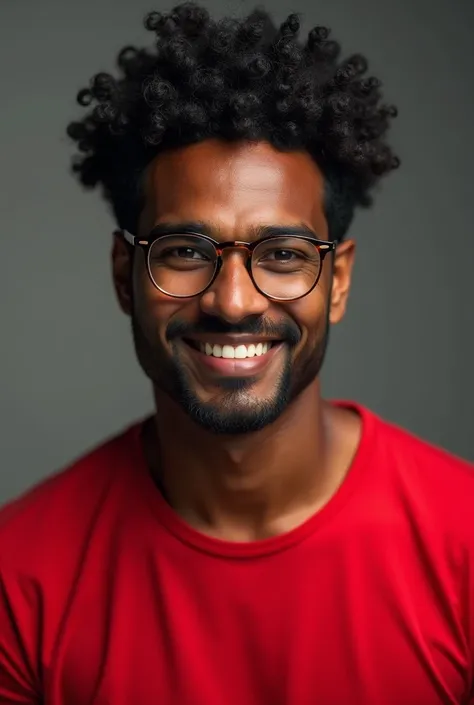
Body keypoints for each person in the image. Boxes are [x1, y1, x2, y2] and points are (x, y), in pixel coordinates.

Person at [1, 2, 473, 704]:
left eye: (282, 254)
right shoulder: (19, 578)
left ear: (336, 281)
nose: (233, 300)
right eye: (186, 251)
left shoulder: (462, 545)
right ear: (122, 275)